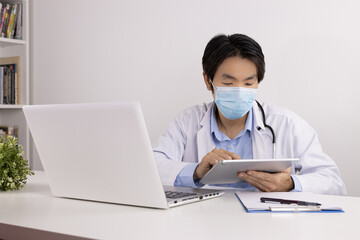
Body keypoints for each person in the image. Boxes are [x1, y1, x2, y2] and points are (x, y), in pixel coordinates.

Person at [153, 33, 347, 195]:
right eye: (228, 83)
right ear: (207, 80)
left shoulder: (287, 124)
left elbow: (333, 182)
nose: (239, 90)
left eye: (248, 83)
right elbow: (150, 167)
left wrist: (290, 184)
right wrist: (195, 172)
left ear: (258, 82)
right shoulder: (187, 122)